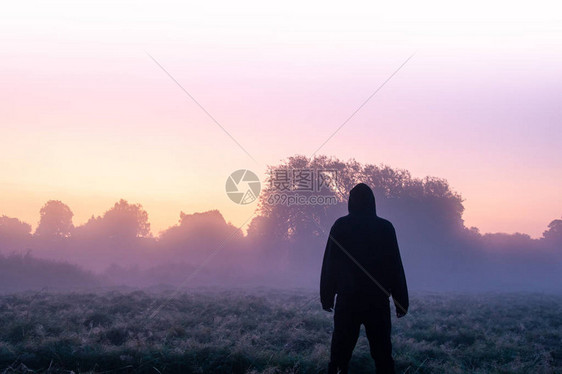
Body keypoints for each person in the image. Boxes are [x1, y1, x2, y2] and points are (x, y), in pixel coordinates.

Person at [320, 183, 408, 374]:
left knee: (339, 354)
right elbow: (395, 265)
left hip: (348, 300)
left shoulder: (341, 226)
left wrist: (327, 295)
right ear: (372, 202)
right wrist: (401, 301)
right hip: (377, 301)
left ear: (351, 202)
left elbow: (330, 263)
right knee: (383, 353)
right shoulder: (385, 228)